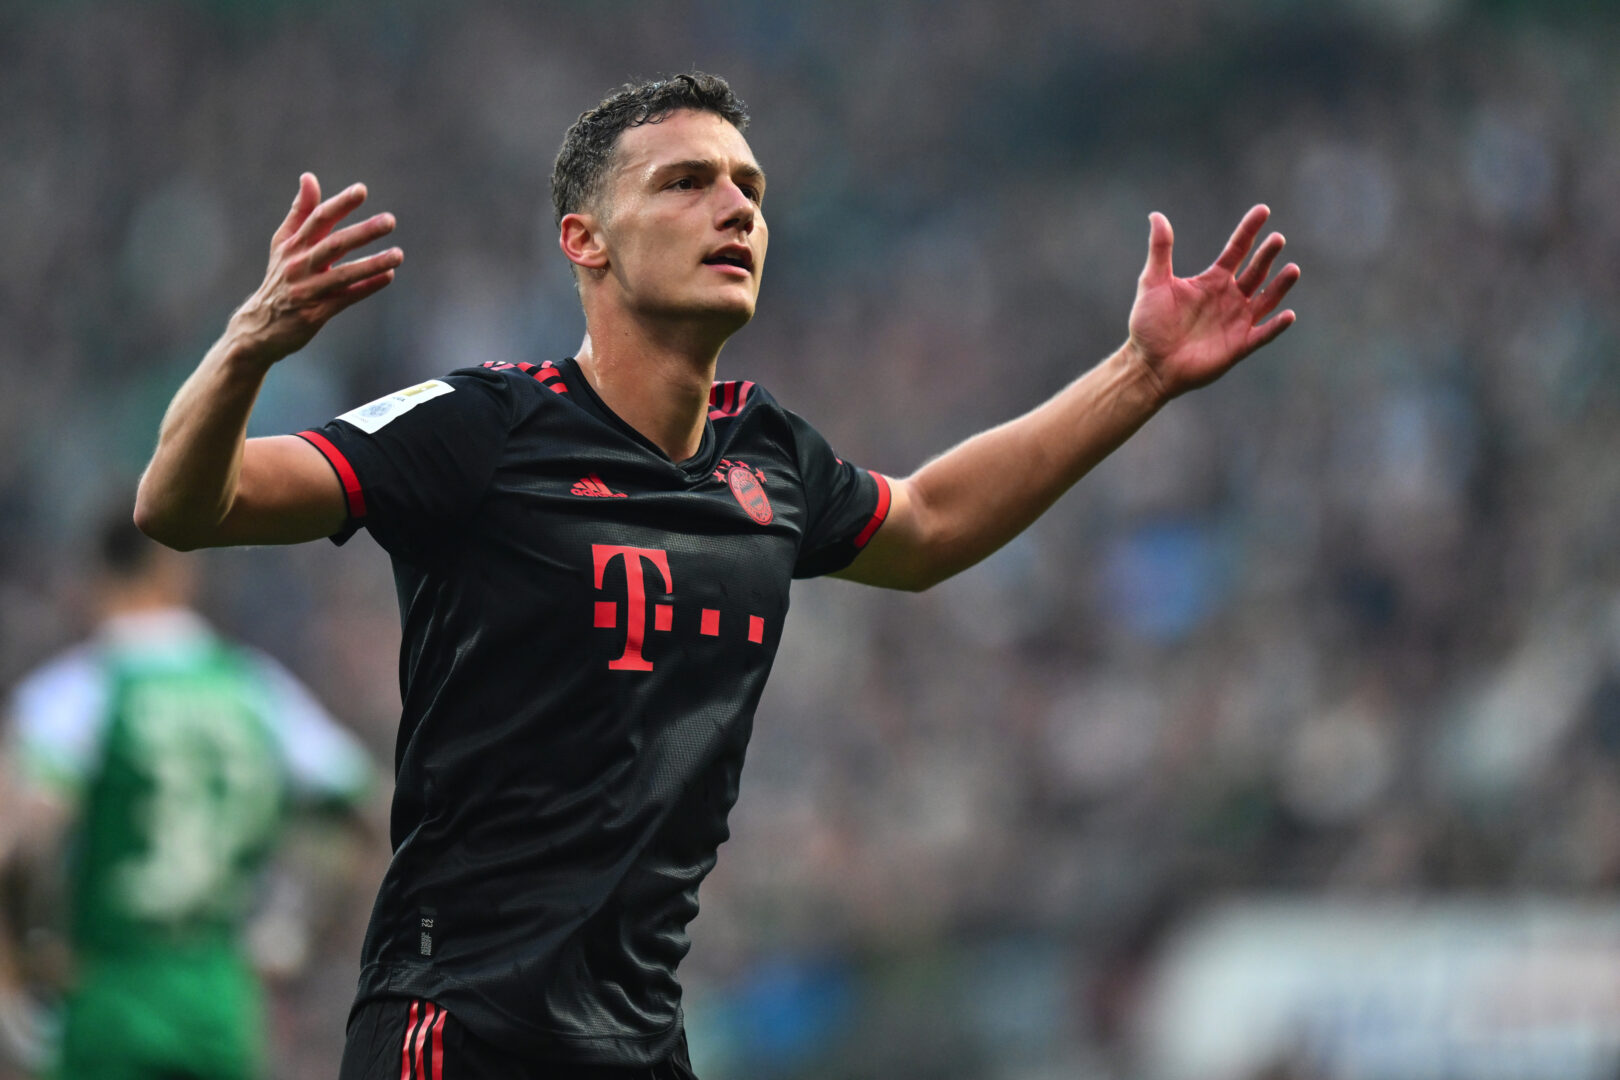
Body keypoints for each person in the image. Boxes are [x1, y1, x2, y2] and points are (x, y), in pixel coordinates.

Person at [132, 72, 1299, 1079]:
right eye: (686, 183)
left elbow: (933, 524)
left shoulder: (767, 454)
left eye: (749, 186)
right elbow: (188, 505)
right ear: (585, 240)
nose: (735, 206)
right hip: (463, 1029)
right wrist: (248, 346)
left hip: (642, 1037)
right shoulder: (481, 427)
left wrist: (1139, 374)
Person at [0, 513, 375, 1080]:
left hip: (110, 994)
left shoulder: (78, 692)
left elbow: (24, 843)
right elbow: (361, 812)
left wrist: (27, 954)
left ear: (96, 578)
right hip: (221, 1002)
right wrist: (292, 934)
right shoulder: (255, 687)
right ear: (181, 574)